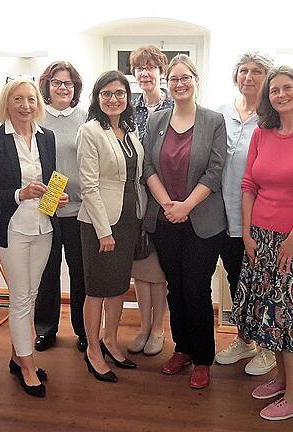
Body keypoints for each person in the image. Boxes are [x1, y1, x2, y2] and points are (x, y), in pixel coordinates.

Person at [233, 65, 293, 421]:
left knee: (290, 318)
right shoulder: (262, 132)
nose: (280, 95)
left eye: (286, 88)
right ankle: (280, 379)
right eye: (273, 91)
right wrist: (246, 232)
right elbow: (249, 185)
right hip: (260, 238)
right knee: (269, 314)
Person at [0, 77, 68, 398]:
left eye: (30, 99)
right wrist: (20, 193)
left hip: (43, 226)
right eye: (18, 99)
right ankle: (28, 367)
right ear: (7, 103)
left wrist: (56, 198)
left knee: (30, 295)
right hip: (12, 228)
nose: (25, 106)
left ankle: (19, 356)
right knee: (20, 298)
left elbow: (51, 181)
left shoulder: (48, 137)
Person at [143, 55, 227, 389]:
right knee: (175, 288)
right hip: (165, 219)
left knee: (195, 289)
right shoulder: (156, 121)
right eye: (173, 79)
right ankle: (183, 349)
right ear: (167, 82)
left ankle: (203, 357)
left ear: (196, 79)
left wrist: (186, 206)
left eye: (185, 77)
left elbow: (216, 170)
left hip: (202, 222)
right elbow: (147, 167)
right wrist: (167, 204)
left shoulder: (213, 121)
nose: (179, 83)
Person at [77, 70, 144, 383]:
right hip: (100, 224)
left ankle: (111, 341)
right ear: (97, 98)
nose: (113, 99)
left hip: (129, 218)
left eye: (119, 93)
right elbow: (88, 186)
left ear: (127, 98)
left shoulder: (129, 130)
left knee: (118, 286)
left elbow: (136, 176)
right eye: (106, 94)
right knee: (97, 290)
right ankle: (93, 351)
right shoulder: (90, 131)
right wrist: (104, 230)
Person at [214, 51, 277, 375]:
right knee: (237, 281)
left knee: (261, 285)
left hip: (258, 219)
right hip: (221, 215)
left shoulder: (273, 117)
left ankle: (267, 348)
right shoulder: (221, 112)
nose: (248, 77)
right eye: (243, 70)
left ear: (267, 78)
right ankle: (244, 339)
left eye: (256, 71)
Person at [34, 61, 88, 353]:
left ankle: (83, 330)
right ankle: (45, 329)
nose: (63, 88)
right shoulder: (38, 118)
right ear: (48, 85)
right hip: (46, 208)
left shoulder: (85, 118)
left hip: (81, 211)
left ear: (75, 87)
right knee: (47, 272)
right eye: (57, 82)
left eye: (68, 83)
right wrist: (51, 198)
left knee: (81, 273)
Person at [126, 45, 174, 356]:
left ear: (161, 72)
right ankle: (143, 327)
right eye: (140, 68)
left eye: (151, 67)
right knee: (141, 270)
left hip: (166, 199)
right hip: (135, 199)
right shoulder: (128, 107)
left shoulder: (175, 105)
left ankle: (158, 329)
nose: (145, 73)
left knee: (160, 274)